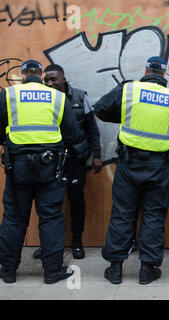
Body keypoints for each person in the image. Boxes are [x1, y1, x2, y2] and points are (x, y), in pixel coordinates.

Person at [94, 56, 169, 285]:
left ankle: (116, 268)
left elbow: (100, 109)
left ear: (146, 71)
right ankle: (147, 269)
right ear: (164, 75)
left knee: (122, 214)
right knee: (154, 216)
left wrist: (126, 115)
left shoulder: (129, 90)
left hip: (129, 165)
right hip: (158, 168)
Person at [0, 60, 84, 284]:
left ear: (22, 74)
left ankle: (8, 271)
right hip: (50, 167)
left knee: (14, 218)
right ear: (41, 74)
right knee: (51, 218)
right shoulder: (57, 97)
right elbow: (73, 134)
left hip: (17, 167)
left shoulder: (8, 95)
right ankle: (52, 271)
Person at [32, 64, 102, 260]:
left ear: (63, 78)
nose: (50, 83)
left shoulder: (79, 97)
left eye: (54, 79)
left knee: (76, 200)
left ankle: (77, 242)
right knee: (48, 203)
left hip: (74, 159)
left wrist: (96, 155)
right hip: (50, 160)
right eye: (46, 80)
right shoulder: (42, 98)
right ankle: (49, 245)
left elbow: (92, 128)